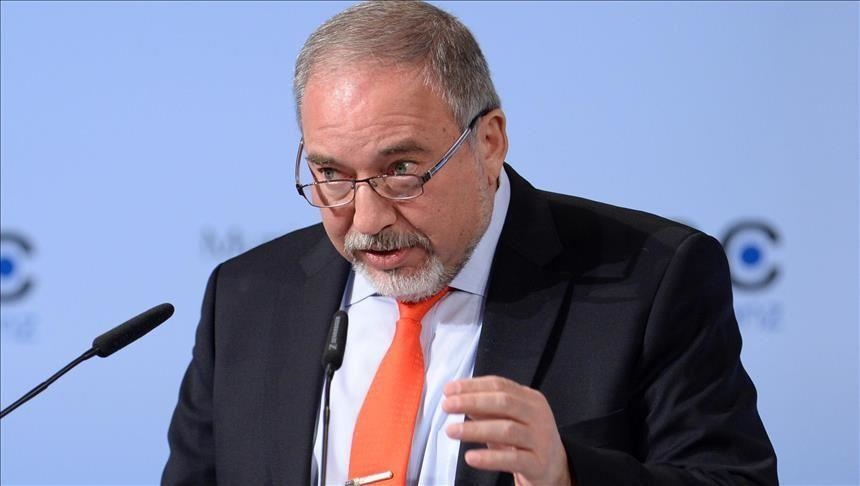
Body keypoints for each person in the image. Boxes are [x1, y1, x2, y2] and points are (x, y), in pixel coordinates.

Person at [163, 2, 777, 485]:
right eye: (330, 174)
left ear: (489, 143)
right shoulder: (246, 296)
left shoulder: (652, 280)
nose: (367, 219)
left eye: (402, 169)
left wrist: (568, 475)